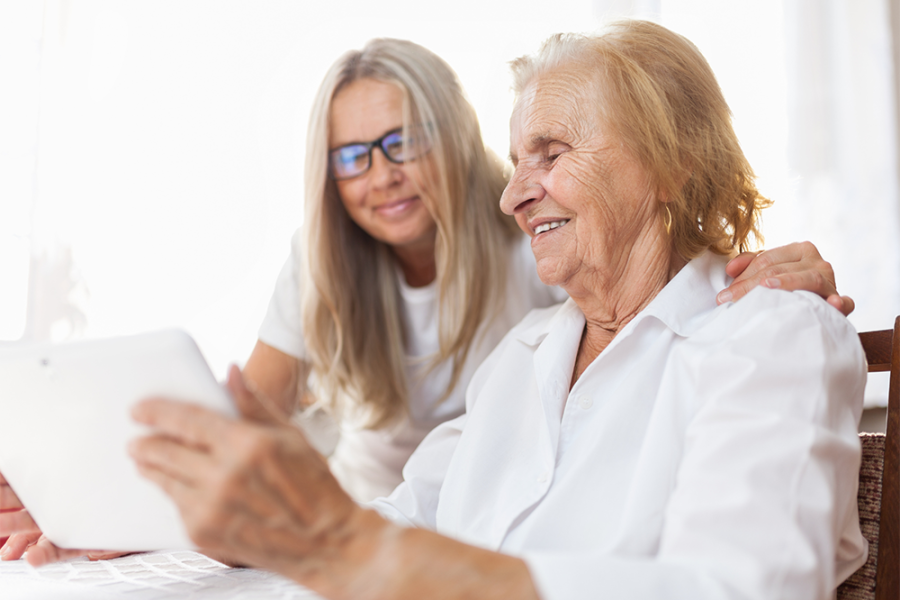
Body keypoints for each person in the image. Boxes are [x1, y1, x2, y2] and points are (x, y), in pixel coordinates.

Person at [0, 33, 855, 568]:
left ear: (668, 162)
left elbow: (742, 585)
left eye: (549, 153)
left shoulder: (763, 334)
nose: (513, 196)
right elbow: (393, 515)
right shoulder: (522, 360)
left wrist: (361, 554)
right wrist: (131, 506)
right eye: (518, 161)